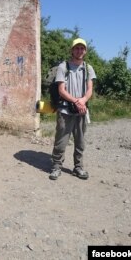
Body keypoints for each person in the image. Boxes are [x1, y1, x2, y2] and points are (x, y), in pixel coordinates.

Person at [49, 38, 96, 181]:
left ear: (85, 51)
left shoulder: (88, 68)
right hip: (65, 110)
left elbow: (89, 90)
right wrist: (76, 100)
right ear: (72, 50)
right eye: (77, 48)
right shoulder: (63, 67)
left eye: (82, 48)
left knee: (80, 140)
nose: (79, 51)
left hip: (81, 109)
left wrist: (82, 101)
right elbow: (61, 90)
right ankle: (56, 166)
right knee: (61, 140)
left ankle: (78, 167)